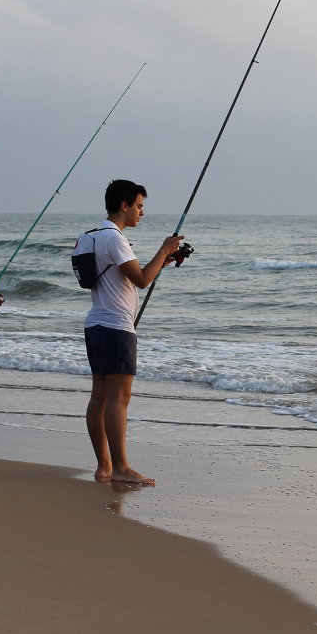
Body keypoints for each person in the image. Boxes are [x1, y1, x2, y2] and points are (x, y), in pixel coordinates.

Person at [81, 179, 183, 485]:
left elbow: (127, 276)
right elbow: (140, 279)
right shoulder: (115, 238)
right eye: (139, 206)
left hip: (97, 324)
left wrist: (162, 260)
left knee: (99, 396)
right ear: (124, 205)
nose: (142, 212)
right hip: (115, 327)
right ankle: (122, 468)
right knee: (119, 399)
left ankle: (105, 466)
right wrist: (164, 248)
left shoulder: (94, 236)